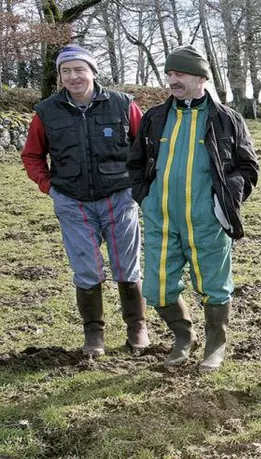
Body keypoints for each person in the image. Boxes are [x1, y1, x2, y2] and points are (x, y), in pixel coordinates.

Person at [127, 45, 259, 372]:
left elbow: (248, 168)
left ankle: (216, 342)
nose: (172, 80)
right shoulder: (155, 118)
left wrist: (224, 200)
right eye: (169, 74)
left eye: (179, 74)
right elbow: (135, 163)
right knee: (158, 289)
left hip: (208, 222)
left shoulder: (227, 119)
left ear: (201, 77)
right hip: (162, 220)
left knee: (214, 288)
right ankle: (184, 336)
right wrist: (146, 197)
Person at [21, 45, 150, 357]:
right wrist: (49, 186)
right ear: (60, 76)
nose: (73, 76)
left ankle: (137, 328)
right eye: (66, 71)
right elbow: (32, 156)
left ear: (93, 71)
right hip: (72, 200)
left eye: (79, 69)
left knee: (126, 265)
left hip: (119, 197)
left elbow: (146, 146)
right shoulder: (47, 112)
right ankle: (94, 334)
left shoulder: (123, 104)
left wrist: (138, 185)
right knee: (86, 269)